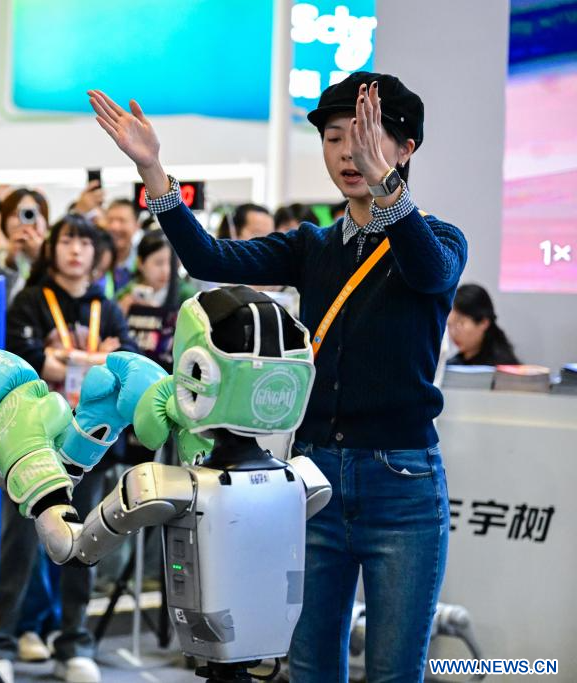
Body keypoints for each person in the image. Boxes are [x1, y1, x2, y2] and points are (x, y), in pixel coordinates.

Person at [89, 70, 467, 682]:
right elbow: (209, 257)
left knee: (396, 670)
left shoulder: (440, 240)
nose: (348, 153)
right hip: (314, 476)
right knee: (310, 664)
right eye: (334, 138)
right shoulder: (313, 245)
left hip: (401, 481)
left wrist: (387, 189)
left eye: (366, 136)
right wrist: (153, 170)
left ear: (405, 149)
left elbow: (428, 272)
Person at [0, 214, 137, 683]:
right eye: (67, 240)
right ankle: (1, 642)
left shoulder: (107, 308)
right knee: (19, 544)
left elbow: (127, 368)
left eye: (85, 242)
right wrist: (90, 358)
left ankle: (74, 642)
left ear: (98, 254)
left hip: (88, 443)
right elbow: (24, 362)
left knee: (86, 541)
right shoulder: (31, 301)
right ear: (52, 247)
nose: (76, 250)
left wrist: (64, 357)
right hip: (30, 441)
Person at [0, 187, 50, 304]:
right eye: (15, 213)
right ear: (4, 220)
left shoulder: (57, 258)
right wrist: (9, 264)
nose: (24, 219)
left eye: (31, 213)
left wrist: (40, 258)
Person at [447, 283, 520, 366]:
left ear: (484, 322)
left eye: (461, 324)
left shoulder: (503, 368)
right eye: (450, 325)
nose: (453, 333)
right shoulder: (451, 364)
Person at [103, 198, 141, 296]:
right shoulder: (95, 262)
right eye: (110, 220)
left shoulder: (145, 260)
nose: (114, 227)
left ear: (136, 226)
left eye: (122, 220)